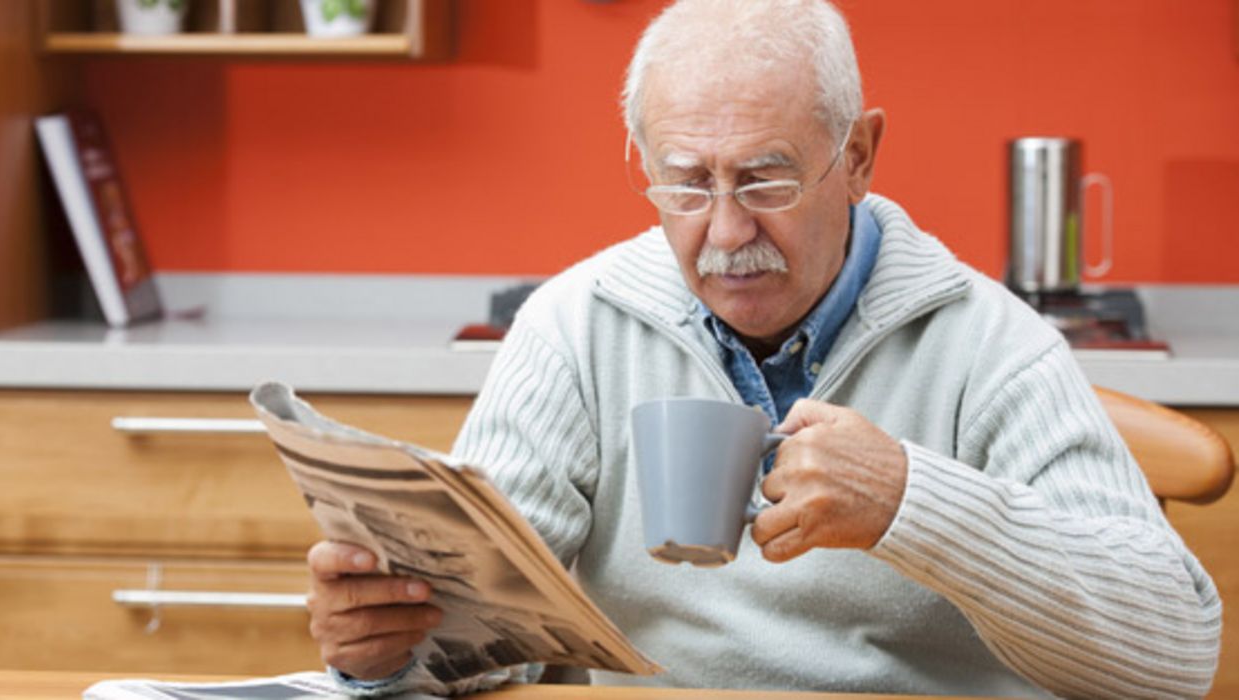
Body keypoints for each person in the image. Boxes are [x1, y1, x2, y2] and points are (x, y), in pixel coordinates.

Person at [305, 0, 1222, 696]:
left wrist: (913, 502)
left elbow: (1174, 654)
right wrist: (392, 650)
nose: (724, 231)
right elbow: (479, 635)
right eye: (685, 184)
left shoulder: (989, 343)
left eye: (765, 179)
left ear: (857, 155)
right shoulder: (575, 323)